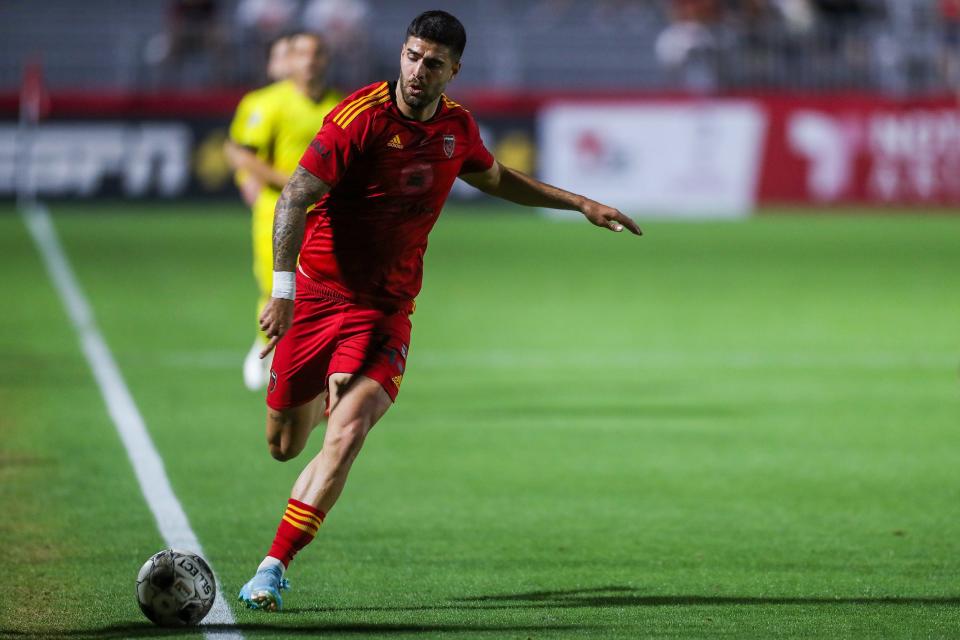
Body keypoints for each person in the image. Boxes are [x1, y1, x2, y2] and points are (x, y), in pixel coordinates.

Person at [237, 10, 642, 611]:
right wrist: (284, 294)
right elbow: (295, 196)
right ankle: (323, 394)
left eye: (432, 63)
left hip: (385, 310)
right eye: (410, 55)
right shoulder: (359, 118)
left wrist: (580, 202)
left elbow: (496, 176)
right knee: (284, 445)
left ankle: (273, 565)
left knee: (347, 434)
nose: (416, 71)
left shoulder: (457, 126)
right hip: (319, 295)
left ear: (453, 70)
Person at [224, 32, 342, 390]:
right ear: (289, 61)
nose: (310, 61)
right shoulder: (267, 103)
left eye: (317, 53)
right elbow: (243, 152)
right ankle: (265, 346)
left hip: (324, 215)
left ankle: (308, 357)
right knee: (274, 282)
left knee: (322, 288)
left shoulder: (340, 105)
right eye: (302, 54)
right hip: (276, 209)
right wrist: (289, 182)